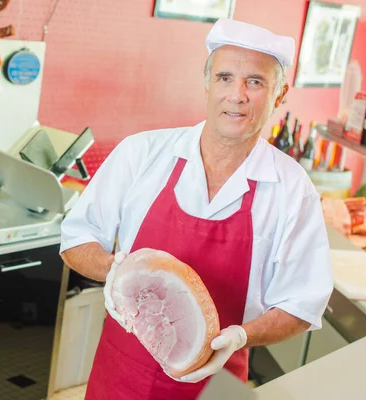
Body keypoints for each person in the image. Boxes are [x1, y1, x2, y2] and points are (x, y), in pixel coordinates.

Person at [59, 18, 333, 400]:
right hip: (122, 374)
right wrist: (114, 269)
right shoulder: (141, 153)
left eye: (255, 82)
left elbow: (302, 305)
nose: (236, 95)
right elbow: (77, 238)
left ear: (280, 93)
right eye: (224, 78)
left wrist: (241, 336)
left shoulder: (291, 189)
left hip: (218, 382)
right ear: (207, 83)